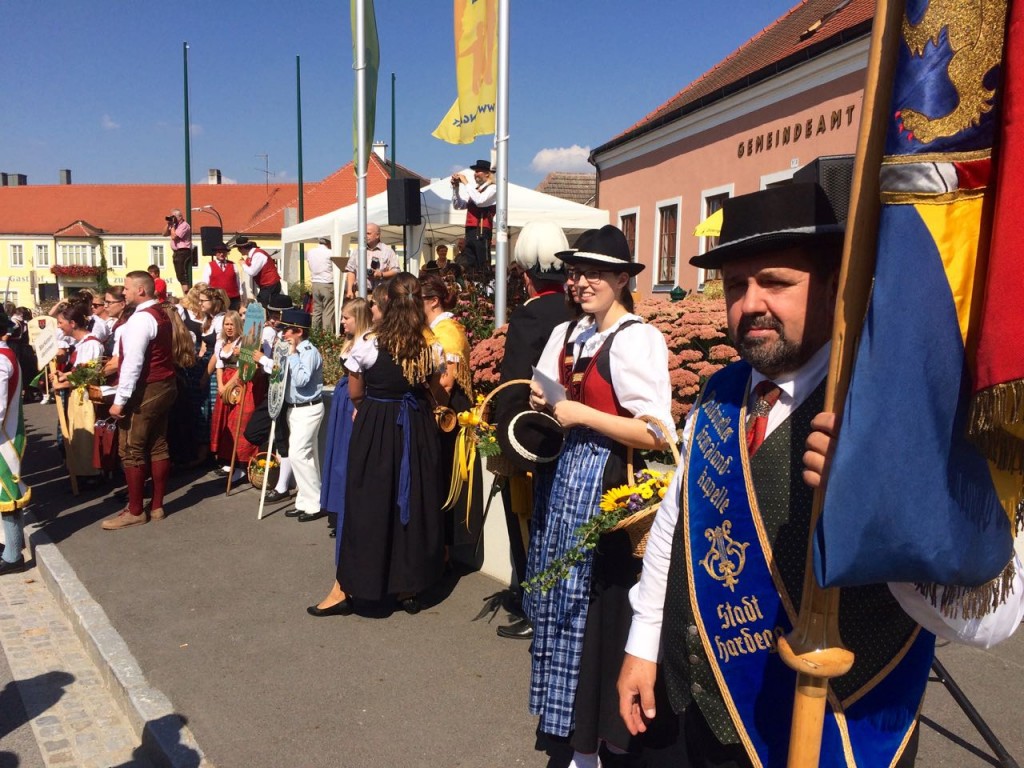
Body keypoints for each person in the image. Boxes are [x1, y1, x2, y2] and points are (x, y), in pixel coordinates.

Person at [616, 183, 1024, 768]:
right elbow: (676, 526)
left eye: (776, 282)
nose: (750, 303)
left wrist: (879, 506)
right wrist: (642, 643)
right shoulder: (721, 392)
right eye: (736, 286)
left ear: (837, 286)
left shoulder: (901, 412)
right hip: (706, 719)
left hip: (836, 732)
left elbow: (993, 620)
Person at [525, 225, 674, 765]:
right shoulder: (569, 333)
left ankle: (598, 741)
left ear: (620, 279)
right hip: (564, 479)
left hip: (607, 484)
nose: (581, 282)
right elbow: (550, 398)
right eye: (575, 272)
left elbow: (659, 431)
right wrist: (546, 403)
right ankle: (570, 732)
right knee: (560, 605)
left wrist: (584, 413)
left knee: (596, 610)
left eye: (594, 273)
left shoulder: (636, 338)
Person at [308, 273, 445, 618]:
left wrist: (370, 411)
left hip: (377, 425)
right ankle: (409, 586)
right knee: (412, 502)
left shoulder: (369, 344)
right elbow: (435, 389)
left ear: (387, 305)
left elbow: (356, 392)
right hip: (415, 427)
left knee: (368, 504)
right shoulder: (428, 345)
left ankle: (354, 586)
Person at [491, 222, 573, 641]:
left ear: (525, 276)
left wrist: (502, 438)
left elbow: (513, 384)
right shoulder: (578, 307)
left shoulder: (530, 315)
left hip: (535, 438)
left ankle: (532, 604)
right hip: (576, 437)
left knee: (529, 525)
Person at [102, 271, 177, 530]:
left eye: (126, 288)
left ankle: (135, 510)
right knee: (158, 444)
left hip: (148, 389)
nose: (124, 292)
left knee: (132, 449)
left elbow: (132, 364)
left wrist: (119, 401)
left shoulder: (140, 320)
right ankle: (156, 506)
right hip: (166, 384)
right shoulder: (161, 313)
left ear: (141, 290)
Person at [420, 273, 475, 561]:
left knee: (444, 476)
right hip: (445, 407)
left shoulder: (447, 332)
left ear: (433, 301)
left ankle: (445, 551)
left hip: (448, 411)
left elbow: (447, 381)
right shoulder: (438, 328)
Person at [320, 297, 373, 538]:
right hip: (343, 399)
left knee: (348, 457)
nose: (342, 322)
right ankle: (338, 509)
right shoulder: (351, 342)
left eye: (346, 318)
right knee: (338, 455)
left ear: (358, 318)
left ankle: (349, 512)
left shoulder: (367, 343)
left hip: (353, 401)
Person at [246, 294, 296, 502]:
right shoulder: (268, 331)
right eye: (272, 313)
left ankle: (282, 486)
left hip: (283, 387)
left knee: (283, 437)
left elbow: (283, 366)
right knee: (253, 432)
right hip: (271, 386)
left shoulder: (290, 335)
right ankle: (273, 458)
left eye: (279, 314)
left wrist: (264, 360)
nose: (275, 318)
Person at [49, 302, 105, 486]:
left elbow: (89, 373)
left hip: (87, 396)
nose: (59, 326)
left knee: (86, 435)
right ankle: (81, 471)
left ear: (72, 323)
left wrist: (63, 383)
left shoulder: (92, 344)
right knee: (78, 435)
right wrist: (63, 375)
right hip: (78, 394)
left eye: (60, 322)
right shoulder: (83, 344)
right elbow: (79, 370)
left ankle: (90, 475)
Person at [275, 309, 324, 521]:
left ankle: (316, 502)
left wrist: (293, 355)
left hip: (309, 408)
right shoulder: (291, 350)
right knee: (307, 457)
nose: (283, 334)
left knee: (298, 454)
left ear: (299, 332)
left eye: (287, 330)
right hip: (294, 409)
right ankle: (305, 501)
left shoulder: (309, 351)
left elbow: (303, 379)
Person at [0, 306, 31, 575]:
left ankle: (13, 555)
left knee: (7, 495)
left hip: (4, 437)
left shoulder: (1, 359)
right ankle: (8, 547)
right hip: (5, 434)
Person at [452, 160, 496, 272]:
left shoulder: (493, 188)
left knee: (482, 264)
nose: (475, 174)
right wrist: (456, 188)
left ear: (487, 173)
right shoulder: (475, 190)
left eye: (478, 171)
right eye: (475, 171)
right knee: (471, 264)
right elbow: (458, 205)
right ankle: (474, 285)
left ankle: (486, 286)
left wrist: (466, 182)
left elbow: (479, 201)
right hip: (470, 230)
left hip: (481, 230)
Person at [345, 223, 399, 299]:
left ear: (377, 235)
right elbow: (351, 270)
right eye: (364, 233)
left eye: (368, 233)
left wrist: (381, 274)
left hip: (380, 295)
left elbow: (396, 270)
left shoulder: (387, 251)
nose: (365, 236)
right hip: (359, 294)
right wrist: (349, 290)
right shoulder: (358, 251)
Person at [234, 236, 282, 308]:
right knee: (264, 305)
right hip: (267, 285)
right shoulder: (252, 256)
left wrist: (243, 264)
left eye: (238, 249)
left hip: (270, 284)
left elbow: (252, 272)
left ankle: (268, 318)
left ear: (242, 248)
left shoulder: (258, 255)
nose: (238, 251)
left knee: (264, 306)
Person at [201, 243, 243, 311]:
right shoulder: (209, 266)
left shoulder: (233, 265)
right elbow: (205, 284)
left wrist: (241, 296)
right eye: (219, 252)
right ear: (215, 253)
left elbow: (238, 281)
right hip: (217, 299)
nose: (222, 254)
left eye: (224, 252)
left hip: (233, 299)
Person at [307, 237, 336, 332]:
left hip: (315, 283)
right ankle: (327, 337)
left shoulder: (310, 252)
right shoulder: (330, 253)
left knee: (316, 312)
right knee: (328, 312)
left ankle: (314, 335)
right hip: (327, 283)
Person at [164, 209, 194, 292]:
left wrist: (172, 226)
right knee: (179, 275)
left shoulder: (184, 225)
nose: (173, 218)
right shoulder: (174, 225)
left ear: (180, 217)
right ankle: (186, 293)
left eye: (174, 216)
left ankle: (187, 294)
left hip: (183, 251)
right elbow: (164, 234)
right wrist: (168, 224)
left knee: (182, 274)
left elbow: (174, 237)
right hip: (177, 252)